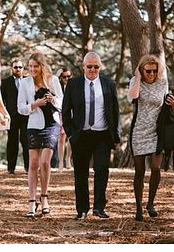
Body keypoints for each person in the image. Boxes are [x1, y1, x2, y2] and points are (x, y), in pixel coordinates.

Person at [61, 52, 120, 220]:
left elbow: (115, 112)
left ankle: (99, 208)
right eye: (89, 66)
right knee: (81, 173)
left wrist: (116, 135)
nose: (93, 70)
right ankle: (82, 210)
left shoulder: (109, 84)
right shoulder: (73, 84)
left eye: (96, 67)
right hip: (81, 135)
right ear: (83, 67)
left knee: (102, 170)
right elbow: (66, 112)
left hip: (102, 135)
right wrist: (71, 134)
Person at [127, 55, 174, 221]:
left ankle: (151, 203)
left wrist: (173, 104)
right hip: (139, 131)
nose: (152, 74)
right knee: (139, 171)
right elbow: (132, 97)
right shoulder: (136, 81)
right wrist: (138, 78)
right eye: (148, 71)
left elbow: (165, 103)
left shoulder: (162, 83)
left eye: (155, 71)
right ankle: (138, 208)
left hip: (157, 131)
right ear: (142, 69)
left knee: (156, 168)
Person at [18, 53, 63, 217]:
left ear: (42, 66)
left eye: (35, 66)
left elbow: (62, 103)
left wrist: (52, 100)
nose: (32, 69)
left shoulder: (53, 81)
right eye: (30, 66)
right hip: (33, 126)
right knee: (33, 163)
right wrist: (34, 104)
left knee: (45, 162)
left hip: (51, 125)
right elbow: (20, 108)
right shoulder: (24, 83)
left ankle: (44, 198)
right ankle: (31, 201)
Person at [2, 60, 28, 174]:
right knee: (12, 142)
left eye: (20, 67)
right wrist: (4, 115)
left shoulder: (28, 81)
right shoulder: (6, 82)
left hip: (26, 116)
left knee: (26, 141)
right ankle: (11, 168)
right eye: (15, 67)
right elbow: (2, 100)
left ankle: (28, 167)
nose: (18, 69)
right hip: (11, 117)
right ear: (11, 68)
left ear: (23, 68)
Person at [56, 67, 74, 170]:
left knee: (70, 137)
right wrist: (57, 75)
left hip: (72, 113)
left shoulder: (74, 86)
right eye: (64, 77)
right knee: (61, 138)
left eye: (68, 76)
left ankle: (68, 160)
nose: (66, 78)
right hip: (61, 113)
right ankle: (61, 162)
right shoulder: (58, 86)